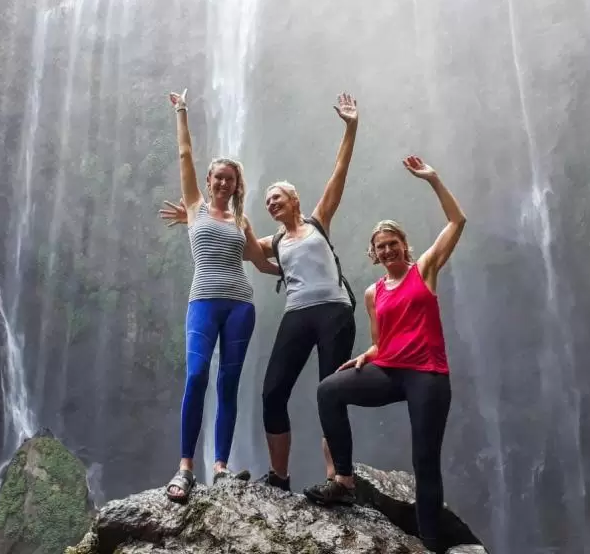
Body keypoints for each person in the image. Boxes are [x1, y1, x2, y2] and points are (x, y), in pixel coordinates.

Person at [159, 92, 360, 492]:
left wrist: (351, 126)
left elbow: (337, 175)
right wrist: (181, 111)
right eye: (268, 200)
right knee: (228, 382)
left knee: (320, 391)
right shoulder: (226, 219)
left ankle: (333, 478)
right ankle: (217, 471)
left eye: (277, 198)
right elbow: (186, 158)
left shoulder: (296, 223)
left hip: (297, 308)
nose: (272, 203)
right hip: (241, 304)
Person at [305, 155, 465, 554]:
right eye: (381, 246)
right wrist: (365, 356)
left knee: (425, 460)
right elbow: (383, 340)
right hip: (390, 369)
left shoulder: (424, 269)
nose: (388, 249)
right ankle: (343, 480)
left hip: (427, 374)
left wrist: (433, 178)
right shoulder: (373, 293)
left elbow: (456, 222)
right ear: (373, 254)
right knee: (329, 390)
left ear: (404, 245)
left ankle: (430, 543)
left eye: (393, 243)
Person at [164, 88, 276, 504]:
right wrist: (181, 111)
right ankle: (185, 467)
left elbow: (260, 262)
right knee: (196, 378)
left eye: (230, 178)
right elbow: (185, 155)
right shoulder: (193, 206)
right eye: (218, 177)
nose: (223, 183)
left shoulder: (242, 220)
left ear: (235, 184)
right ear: (209, 182)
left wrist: (297, 268)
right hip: (204, 304)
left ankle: (221, 467)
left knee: (228, 384)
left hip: (240, 305)